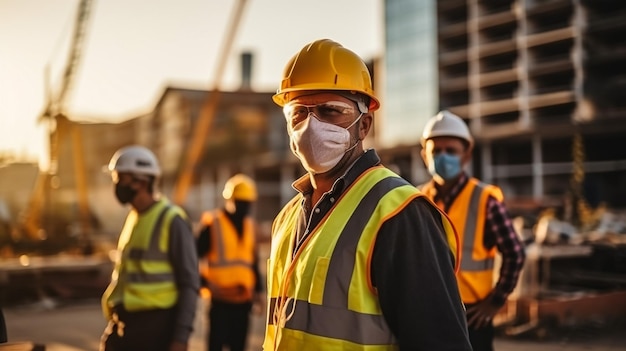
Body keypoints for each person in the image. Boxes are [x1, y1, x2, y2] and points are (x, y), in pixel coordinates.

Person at [263, 38, 472, 350]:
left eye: (330, 111)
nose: (311, 126)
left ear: (364, 125)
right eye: (299, 113)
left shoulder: (398, 212)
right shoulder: (287, 218)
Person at [419, 110, 526, 351]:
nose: (443, 157)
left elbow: (515, 253)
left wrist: (496, 302)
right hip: (428, 312)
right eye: (436, 151)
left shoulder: (485, 200)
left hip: (471, 317)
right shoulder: (417, 200)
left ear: (466, 155)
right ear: (424, 155)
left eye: (451, 151)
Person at [100, 145, 199, 351]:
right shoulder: (134, 217)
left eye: (121, 178)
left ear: (142, 182)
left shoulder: (172, 220)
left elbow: (189, 284)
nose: (116, 184)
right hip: (124, 325)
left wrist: (180, 339)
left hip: (155, 329)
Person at [196, 174, 263, 351]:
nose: (245, 207)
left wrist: (259, 293)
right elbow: (192, 255)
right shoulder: (213, 223)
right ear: (230, 200)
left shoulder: (250, 226)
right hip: (219, 302)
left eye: (247, 203)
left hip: (243, 302)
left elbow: (252, 262)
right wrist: (203, 282)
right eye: (241, 202)